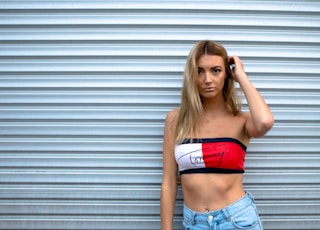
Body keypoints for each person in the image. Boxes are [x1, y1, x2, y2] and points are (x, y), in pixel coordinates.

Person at [160, 40, 274, 230]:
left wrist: (242, 77)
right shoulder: (175, 120)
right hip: (195, 224)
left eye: (216, 70)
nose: (207, 79)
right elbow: (169, 183)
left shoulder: (241, 120)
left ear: (226, 75)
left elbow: (265, 122)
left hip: (237, 220)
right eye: (199, 71)